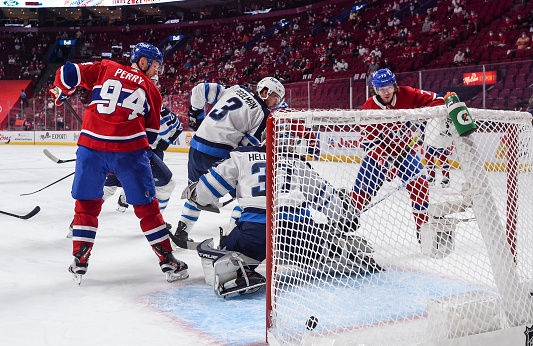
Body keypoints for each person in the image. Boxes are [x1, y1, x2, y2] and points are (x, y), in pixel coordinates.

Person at [49, 42, 188, 284]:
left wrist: (62, 90)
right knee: (148, 208)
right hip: (129, 151)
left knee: (86, 205)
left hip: (91, 147)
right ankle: (167, 260)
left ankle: (80, 259)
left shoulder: (106, 67)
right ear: (142, 62)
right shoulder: (152, 90)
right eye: (155, 66)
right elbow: (152, 135)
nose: (157, 71)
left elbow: (67, 71)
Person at [182, 131, 379, 298]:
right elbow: (323, 196)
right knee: (320, 248)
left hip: (257, 231)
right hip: (300, 233)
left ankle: (236, 274)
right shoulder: (298, 163)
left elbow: (210, 186)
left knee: (223, 254)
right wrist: (344, 216)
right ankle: (341, 250)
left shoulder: (242, 155)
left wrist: (196, 193)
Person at [171, 77, 285, 246]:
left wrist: (196, 114)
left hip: (196, 147)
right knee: (248, 198)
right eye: (275, 98)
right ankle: (231, 239)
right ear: (265, 92)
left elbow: (200, 89)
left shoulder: (236, 89)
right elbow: (244, 150)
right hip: (218, 154)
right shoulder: (263, 115)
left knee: (196, 192)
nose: (275, 104)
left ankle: (181, 232)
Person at [349, 68, 445, 244]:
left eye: (389, 87)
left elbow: (435, 99)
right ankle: (345, 222)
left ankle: (422, 229)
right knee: (360, 194)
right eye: (381, 89)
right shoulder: (368, 109)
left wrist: (446, 104)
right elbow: (369, 144)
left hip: (405, 153)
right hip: (379, 155)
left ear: (394, 85)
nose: (386, 92)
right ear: (375, 89)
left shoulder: (407, 94)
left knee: (420, 185)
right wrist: (386, 163)